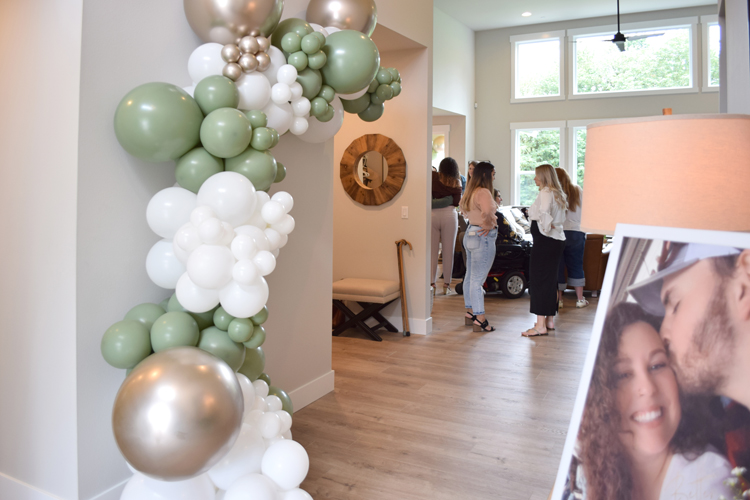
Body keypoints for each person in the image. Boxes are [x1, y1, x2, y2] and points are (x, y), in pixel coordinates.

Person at [578, 302, 733, 500]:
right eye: (623, 375)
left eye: (657, 365)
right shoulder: (593, 477)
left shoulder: (708, 479)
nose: (648, 388)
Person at [523, 164, 567, 337]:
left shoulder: (546, 192)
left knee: (539, 281)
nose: (534, 178)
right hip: (555, 241)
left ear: (543, 177)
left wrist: (546, 227)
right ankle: (549, 320)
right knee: (550, 281)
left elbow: (544, 213)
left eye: (536, 175)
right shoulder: (557, 193)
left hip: (545, 241)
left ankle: (540, 325)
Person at [459, 162, 498, 332]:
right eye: (493, 174)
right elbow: (488, 211)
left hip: (470, 233)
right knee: (477, 280)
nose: (494, 177)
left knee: (470, 277)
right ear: (485, 174)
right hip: (482, 237)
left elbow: (462, 209)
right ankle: (480, 319)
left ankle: (470, 312)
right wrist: (488, 224)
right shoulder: (483, 192)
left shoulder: (470, 191)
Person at [555, 168, 587, 309]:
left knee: (559, 266)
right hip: (577, 232)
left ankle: (559, 300)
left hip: (559, 232)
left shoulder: (554, 193)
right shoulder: (578, 190)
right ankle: (580, 299)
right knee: (576, 265)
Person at [431, 157, 462, 295]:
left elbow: (428, 199)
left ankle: (431, 284)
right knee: (448, 251)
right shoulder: (457, 181)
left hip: (432, 215)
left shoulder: (433, 177)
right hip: (450, 215)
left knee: (432, 251)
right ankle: (446, 285)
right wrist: (448, 199)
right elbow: (456, 202)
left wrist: (436, 201)